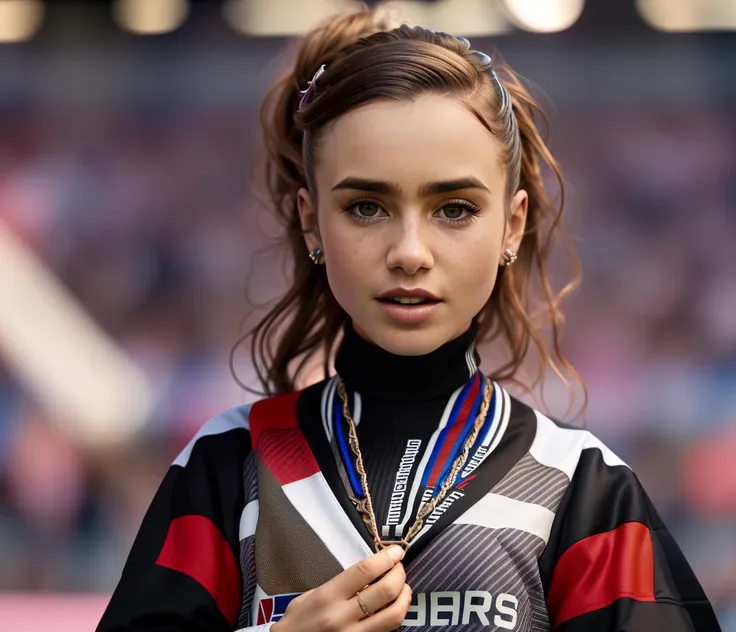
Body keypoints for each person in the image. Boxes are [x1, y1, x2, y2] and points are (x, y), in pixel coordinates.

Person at [97, 7, 721, 632]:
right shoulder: (225, 468)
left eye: (454, 208)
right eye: (367, 207)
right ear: (311, 220)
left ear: (512, 222)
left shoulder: (583, 489)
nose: (410, 253)